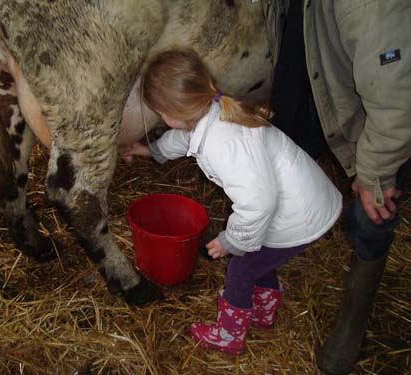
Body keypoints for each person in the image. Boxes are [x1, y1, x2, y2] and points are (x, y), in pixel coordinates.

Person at [122, 49, 342, 355]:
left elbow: (258, 203)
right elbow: (186, 139)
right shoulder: (211, 111)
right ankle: (265, 309)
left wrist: (232, 240)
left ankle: (229, 335)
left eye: (159, 113)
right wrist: (153, 151)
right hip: (301, 201)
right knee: (258, 255)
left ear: (170, 114)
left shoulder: (222, 144)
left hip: (296, 214)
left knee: (239, 269)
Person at [302, 1, 411, 374]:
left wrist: (374, 175)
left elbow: (397, 95)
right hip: (367, 83)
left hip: (394, 106)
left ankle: (353, 322)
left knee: (374, 209)